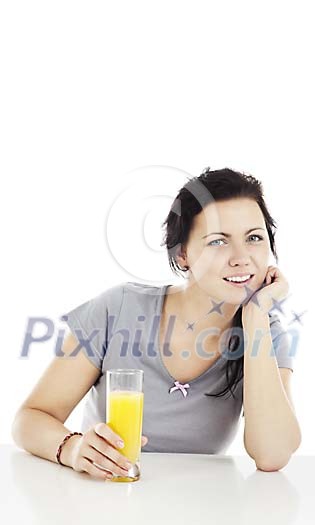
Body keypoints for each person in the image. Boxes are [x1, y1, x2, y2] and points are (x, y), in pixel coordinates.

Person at [11, 167, 300, 479]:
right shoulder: (118, 310)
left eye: (254, 238)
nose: (242, 257)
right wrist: (73, 448)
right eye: (218, 241)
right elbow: (30, 418)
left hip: (198, 506)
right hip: (104, 498)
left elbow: (272, 455)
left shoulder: (265, 332)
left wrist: (256, 315)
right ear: (183, 254)